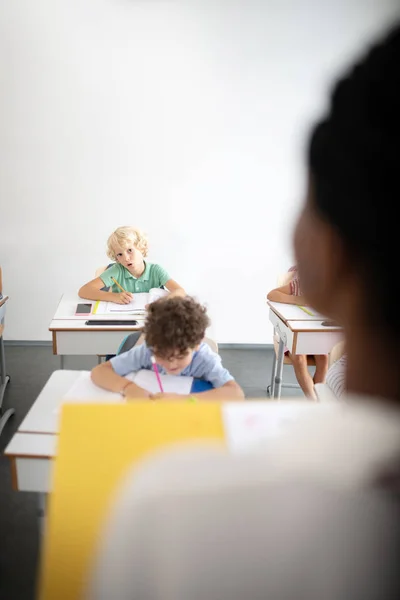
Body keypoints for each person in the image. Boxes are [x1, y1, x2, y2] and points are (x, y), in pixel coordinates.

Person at [86, 23, 400, 600]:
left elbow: (225, 388)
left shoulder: (169, 507)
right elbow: (105, 342)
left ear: (325, 251)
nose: (129, 257)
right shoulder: (132, 319)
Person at [91, 295, 244, 401]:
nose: (171, 364)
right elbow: (99, 372)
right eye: (162, 356)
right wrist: (128, 387)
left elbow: (235, 394)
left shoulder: (204, 359)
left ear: (196, 345)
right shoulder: (147, 351)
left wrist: (184, 400)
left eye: (180, 356)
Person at [78, 226, 185, 304]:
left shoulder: (156, 271)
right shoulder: (117, 270)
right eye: (120, 254)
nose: (126, 258)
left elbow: (180, 291)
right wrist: (114, 296)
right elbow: (84, 291)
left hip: (152, 322)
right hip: (123, 320)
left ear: (141, 248)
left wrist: (161, 303)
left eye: (130, 250)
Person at [267, 265, 329, 399]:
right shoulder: (298, 285)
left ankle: (318, 400)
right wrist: (297, 300)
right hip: (293, 336)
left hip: (315, 335)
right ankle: (314, 402)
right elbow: (271, 294)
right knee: (299, 358)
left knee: (324, 358)